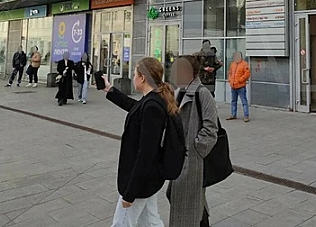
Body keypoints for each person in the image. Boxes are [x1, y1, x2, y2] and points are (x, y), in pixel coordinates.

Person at [99, 57, 178, 227]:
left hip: (140, 181)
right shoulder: (153, 99)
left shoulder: (152, 106)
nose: (133, 77)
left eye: (135, 74)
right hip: (148, 179)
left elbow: (146, 154)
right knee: (151, 222)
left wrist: (130, 192)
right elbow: (135, 107)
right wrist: (110, 90)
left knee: (121, 223)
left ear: (142, 78)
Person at [168, 55, 218, 227]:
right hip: (179, 158)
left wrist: (196, 150)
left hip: (192, 160)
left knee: (188, 203)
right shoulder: (180, 92)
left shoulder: (202, 94)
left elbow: (211, 130)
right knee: (188, 201)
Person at [226, 51, 251, 122]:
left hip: (241, 86)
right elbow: (230, 73)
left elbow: (247, 74)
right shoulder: (232, 64)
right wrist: (230, 80)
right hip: (233, 86)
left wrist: (240, 80)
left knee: (244, 101)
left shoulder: (244, 64)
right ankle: (233, 114)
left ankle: (246, 116)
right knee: (233, 101)